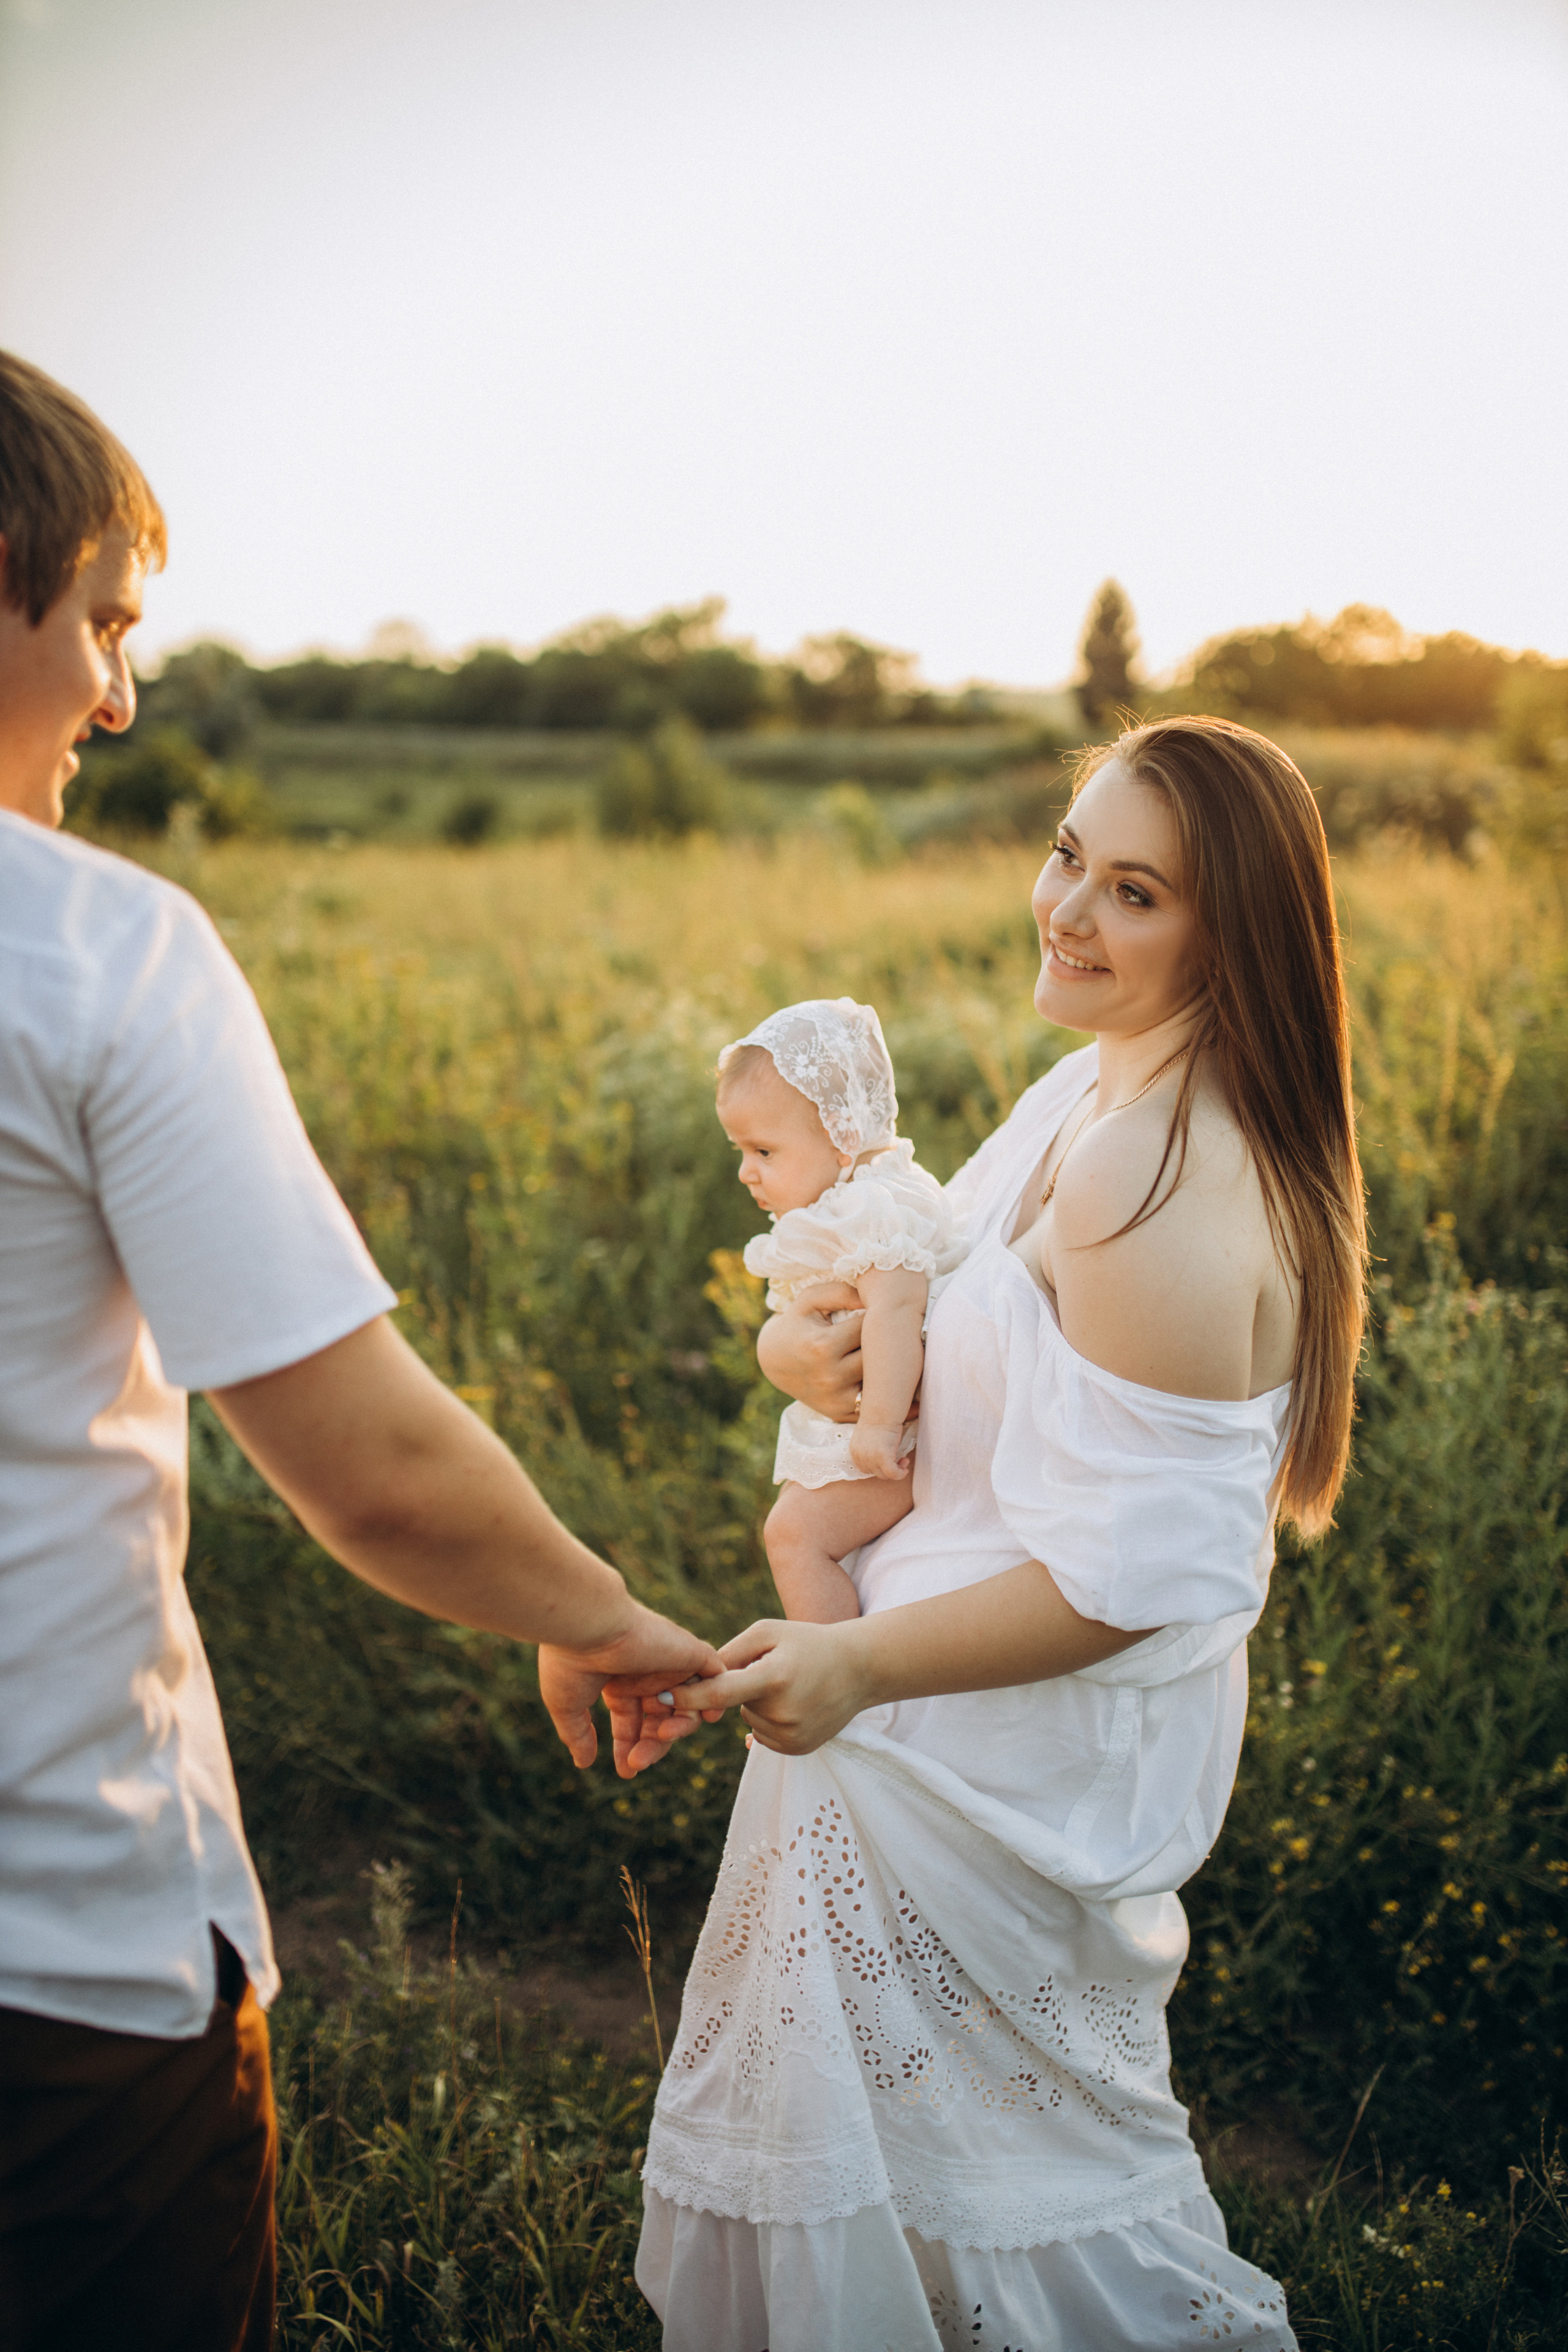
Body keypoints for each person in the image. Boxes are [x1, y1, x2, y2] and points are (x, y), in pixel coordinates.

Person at [0, 349, 715, 2352]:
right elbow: (371, 1469)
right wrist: (592, 1611)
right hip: (54, 1968)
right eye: (100, 624)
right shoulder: (95, 954)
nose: (121, 699)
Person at [620, 718, 1367, 2351]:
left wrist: (861, 1661)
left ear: (1228, 931)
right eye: (1066, 855)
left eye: (1137, 892)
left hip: (981, 1744)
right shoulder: (1085, 1091)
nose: (1069, 910)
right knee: (914, 2161)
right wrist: (790, 1350)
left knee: (1013, 2175)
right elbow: (918, 1301)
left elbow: (1146, 1582)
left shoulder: (1154, 1178)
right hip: (914, 1715)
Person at [716, 998, 967, 1623]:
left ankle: (830, 1675)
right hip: (874, 1425)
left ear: (843, 1137)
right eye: (738, 1151)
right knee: (814, 1540)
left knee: (794, 1537)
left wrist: (878, 1426)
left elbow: (897, 1309)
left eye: (764, 1152)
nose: (746, 1173)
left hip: (902, 1434)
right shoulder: (853, 1199)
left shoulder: (871, 1211)